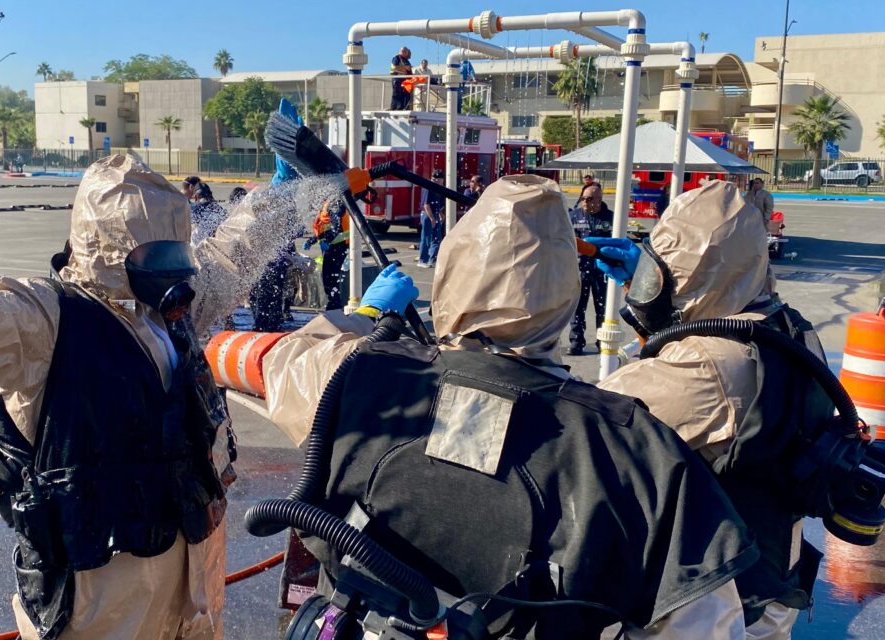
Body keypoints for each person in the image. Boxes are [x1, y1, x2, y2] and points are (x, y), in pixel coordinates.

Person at [0, 53, 300, 640]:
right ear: (110, 250)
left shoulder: (169, 313)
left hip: (191, 578)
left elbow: (232, 254)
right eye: (158, 258)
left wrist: (282, 193)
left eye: (179, 253)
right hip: (101, 595)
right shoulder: (48, 321)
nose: (179, 272)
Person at [260, 175, 755, 639]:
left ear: (453, 272)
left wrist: (363, 319)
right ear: (567, 292)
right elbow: (703, 623)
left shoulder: (356, 377)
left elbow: (272, 359)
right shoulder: (638, 448)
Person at [595, 180, 827, 639]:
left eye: (664, 273)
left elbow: (596, 423)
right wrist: (656, 300)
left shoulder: (708, 364)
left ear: (692, 276)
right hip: (773, 573)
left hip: (712, 599)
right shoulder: (791, 332)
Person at [567, 184, 613, 355]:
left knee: (602, 308)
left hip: (603, 270)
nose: (585, 202)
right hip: (579, 269)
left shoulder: (610, 218)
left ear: (599, 200)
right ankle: (576, 341)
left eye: (589, 199)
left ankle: (603, 341)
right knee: (578, 308)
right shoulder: (574, 216)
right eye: (583, 198)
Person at [307, 197, 350, 310]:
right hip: (333, 246)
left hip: (337, 247)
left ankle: (334, 306)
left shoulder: (335, 202)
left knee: (330, 277)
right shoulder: (327, 203)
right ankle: (333, 304)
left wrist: (325, 240)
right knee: (329, 277)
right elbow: (324, 227)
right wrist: (312, 240)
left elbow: (335, 228)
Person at [417, 169, 446, 268]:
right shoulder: (428, 187)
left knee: (436, 238)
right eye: (442, 179)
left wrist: (440, 214)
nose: (443, 181)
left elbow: (438, 203)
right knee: (426, 238)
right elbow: (426, 205)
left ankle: (432, 259)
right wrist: (432, 218)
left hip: (435, 213)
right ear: (437, 179)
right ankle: (422, 259)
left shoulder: (437, 188)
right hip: (427, 215)